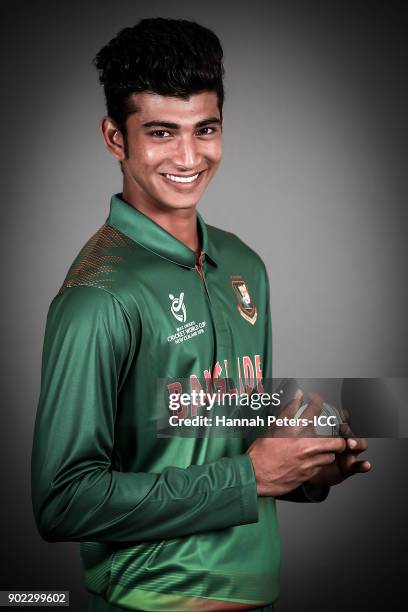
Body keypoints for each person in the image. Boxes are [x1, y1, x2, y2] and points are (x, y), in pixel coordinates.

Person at [31, 18, 371, 612]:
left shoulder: (246, 264)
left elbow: (230, 445)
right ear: (116, 138)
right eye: (161, 132)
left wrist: (309, 465)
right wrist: (252, 478)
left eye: (205, 129)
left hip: (259, 589)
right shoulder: (97, 296)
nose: (189, 157)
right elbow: (63, 502)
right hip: (150, 600)